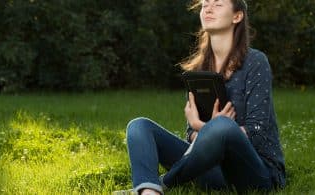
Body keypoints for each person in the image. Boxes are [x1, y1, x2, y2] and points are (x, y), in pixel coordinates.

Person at [116, 0, 285, 194]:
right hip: (211, 173)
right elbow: (192, 137)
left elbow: (257, 131)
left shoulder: (256, 62)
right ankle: (149, 192)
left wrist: (210, 128)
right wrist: (202, 129)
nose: (208, 8)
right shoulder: (200, 69)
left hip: (255, 173)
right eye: (205, 4)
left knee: (223, 125)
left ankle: (164, 182)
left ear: (237, 16)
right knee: (139, 126)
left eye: (218, 4)